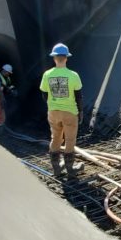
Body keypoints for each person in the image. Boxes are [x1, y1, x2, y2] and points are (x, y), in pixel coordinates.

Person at [40, 43, 83, 179]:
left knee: (56, 138)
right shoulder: (73, 75)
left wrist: (52, 104)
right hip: (70, 112)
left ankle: (56, 168)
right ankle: (70, 169)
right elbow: (78, 96)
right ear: (66, 58)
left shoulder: (47, 74)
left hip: (53, 112)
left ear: (54, 58)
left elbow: (44, 93)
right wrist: (80, 111)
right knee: (70, 140)